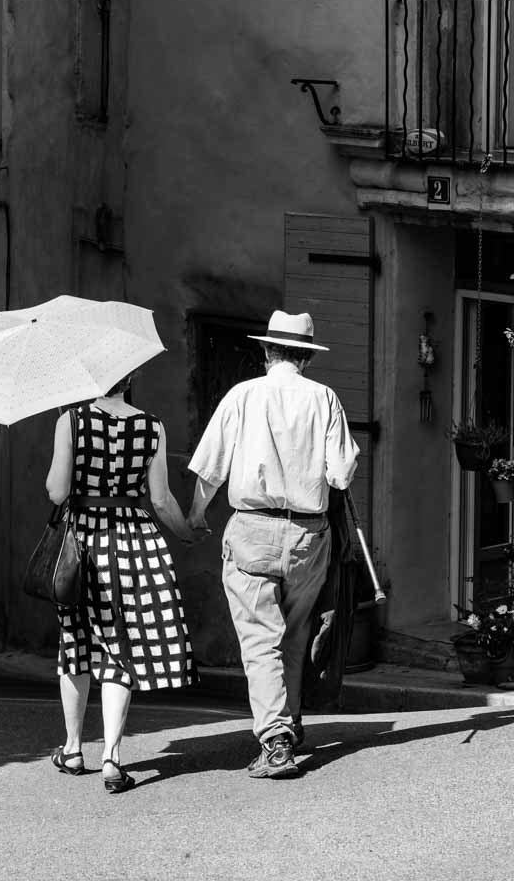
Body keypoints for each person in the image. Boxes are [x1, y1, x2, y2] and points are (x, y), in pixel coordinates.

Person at [187, 310, 359, 780]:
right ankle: (292, 720)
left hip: (253, 528)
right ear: (305, 355)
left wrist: (196, 514)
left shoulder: (243, 395)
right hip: (309, 533)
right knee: (296, 632)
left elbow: (210, 469)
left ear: (266, 351)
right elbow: (340, 473)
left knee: (260, 639)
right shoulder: (325, 398)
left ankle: (276, 739)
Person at [44, 371, 199, 794]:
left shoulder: (70, 421)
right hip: (135, 541)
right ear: (130, 377)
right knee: (119, 643)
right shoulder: (152, 425)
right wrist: (185, 533)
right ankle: (112, 755)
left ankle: (74, 748)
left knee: (76, 641)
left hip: (84, 542)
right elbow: (161, 499)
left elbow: (57, 492)